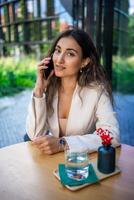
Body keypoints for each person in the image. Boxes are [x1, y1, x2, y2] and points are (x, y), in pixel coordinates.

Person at [26, 29, 120, 154]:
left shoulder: (97, 91)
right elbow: (35, 135)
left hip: (81, 163)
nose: (59, 60)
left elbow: (112, 135)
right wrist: (39, 90)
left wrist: (63, 144)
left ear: (84, 62)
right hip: (50, 163)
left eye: (70, 54)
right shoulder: (47, 88)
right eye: (58, 51)